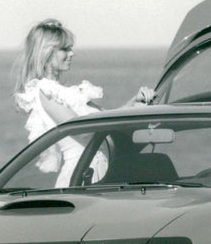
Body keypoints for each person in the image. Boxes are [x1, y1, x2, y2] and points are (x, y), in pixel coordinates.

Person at [12, 19, 154, 186]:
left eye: (70, 48)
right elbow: (80, 129)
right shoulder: (45, 91)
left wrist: (134, 103)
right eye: (65, 49)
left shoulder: (65, 93)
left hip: (93, 173)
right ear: (46, 53)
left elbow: (107, 118)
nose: (72, 53)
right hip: (80, 178)